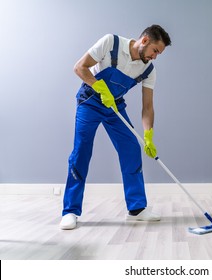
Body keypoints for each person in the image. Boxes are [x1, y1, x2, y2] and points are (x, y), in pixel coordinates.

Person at [60, 25, 171, 230]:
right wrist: (99, 87)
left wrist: (148, 135)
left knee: (131, 148)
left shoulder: (148, 70)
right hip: (90, 101)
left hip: (115, 106)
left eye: (159, 54)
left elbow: (147, 107)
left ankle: (137, 209)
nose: (155, 57)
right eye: (155, 51)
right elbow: (80, 67)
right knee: (81, 151)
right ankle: (70, 211)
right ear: (144, 41)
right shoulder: (111, 42)